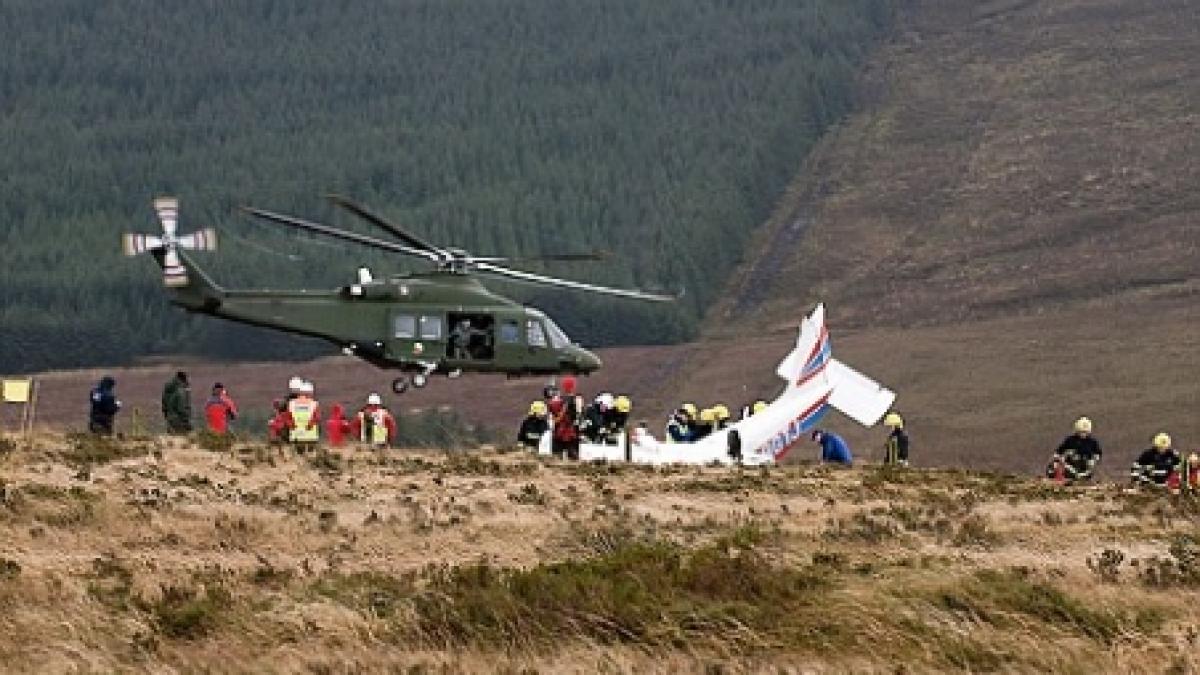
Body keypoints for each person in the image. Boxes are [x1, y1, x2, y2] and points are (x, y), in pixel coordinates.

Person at [1046, 416, 1101, 484]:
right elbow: (1059, 451)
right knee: (1060, 462)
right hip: (1071, 466)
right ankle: (1068, 476)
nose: (1083, 434)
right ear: (1077, 430)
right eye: (1081, 432)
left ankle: (1082, 476)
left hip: (1086, 467)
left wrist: (1094, 460)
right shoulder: (1070, 440)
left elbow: (1098, 454)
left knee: (1089, 465)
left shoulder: (1092, 442)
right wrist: (1058, 459)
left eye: (1085, 432)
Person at [549, 376, 581, 459]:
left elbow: (552, 413)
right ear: (573, 387)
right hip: (571, 431)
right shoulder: (576, 400)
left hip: (558, 431)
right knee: (573, 457)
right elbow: (577, 415)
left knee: (556, 457)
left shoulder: (556, 400)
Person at [287, 381, 321, 448]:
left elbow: (288, 418)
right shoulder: (314, 404)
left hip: (296, 435)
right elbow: (317, 418)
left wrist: (292, 425)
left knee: (298, 455)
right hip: (311, 436)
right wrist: (310, 425)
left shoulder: (291, 404)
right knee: (310, 455)